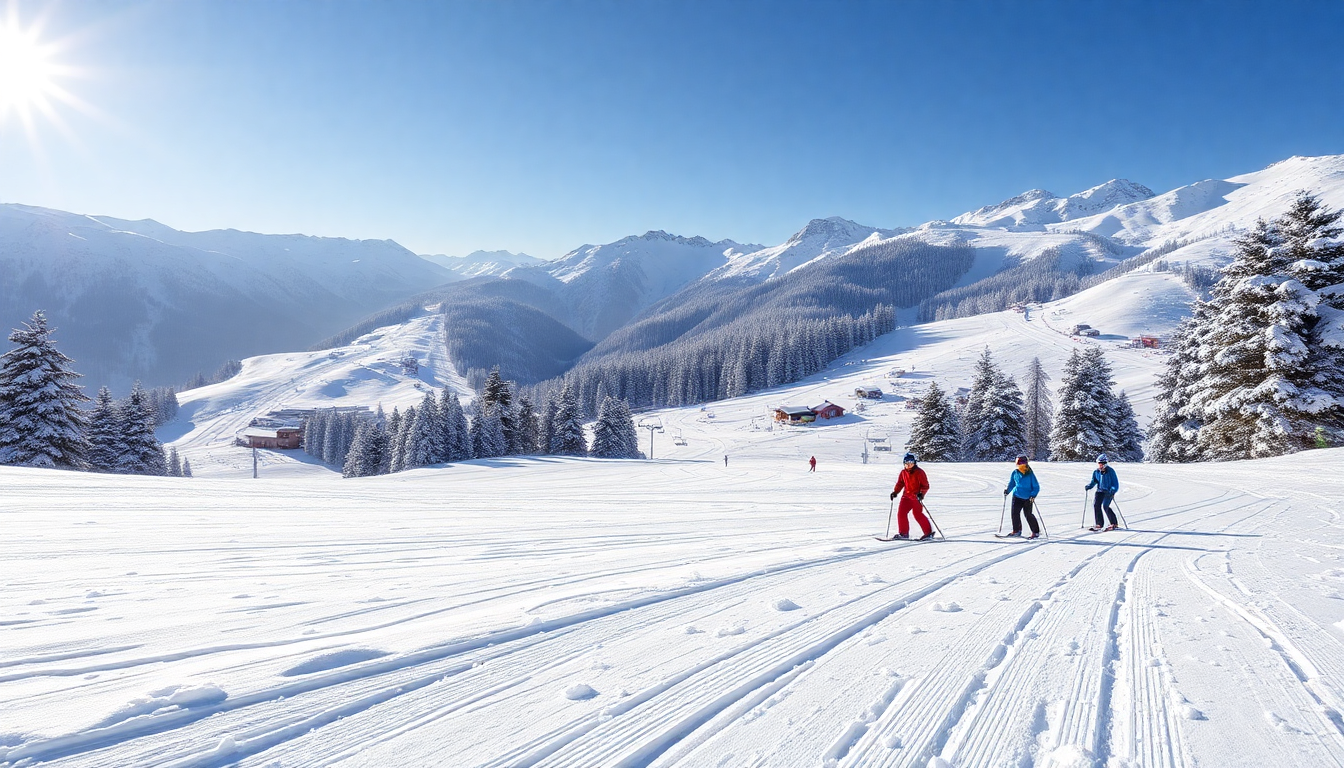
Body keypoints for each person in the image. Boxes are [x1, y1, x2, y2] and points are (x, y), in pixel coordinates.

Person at [889, 453, 934, 540]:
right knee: (901, 514)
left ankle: (928, 533)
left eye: (911, 462)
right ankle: (903, 534)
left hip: (916, 497)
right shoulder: (903, 473)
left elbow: (925, 485)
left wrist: (921, 493)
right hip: (906, 497)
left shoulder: (919, 472)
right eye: (907, 463)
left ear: (914, 463)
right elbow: (900, 483)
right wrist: (895, 492)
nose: (909, 465)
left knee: (917, 514)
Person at [1002, 454, 1042, 539]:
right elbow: (1012, 483)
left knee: (1028, 515)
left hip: (1028, 498)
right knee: (1015, 513)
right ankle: (1016, 531)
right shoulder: (1015, 473)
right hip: (1017, 496)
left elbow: (1036, 486)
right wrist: (1008, 491)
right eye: (1018, 462)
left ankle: (1035, 532)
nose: (1020, 464)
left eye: (1022, 462)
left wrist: (1033, 495)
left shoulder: (1030, 474)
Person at [1085, 453, 1120, 531]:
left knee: (1105, 506)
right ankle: (1099, 524)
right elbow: (1094, 481)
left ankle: (1114, 523)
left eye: (1102, 464)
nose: (1101, 466)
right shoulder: (1096, 472)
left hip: (1108, 491)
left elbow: (1115, 483)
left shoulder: (1111, 471)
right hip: (1100, 491)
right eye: (1099, 464)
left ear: (1106, 464)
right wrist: (1089, 486)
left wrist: (1113, 489)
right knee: (1096, 505)